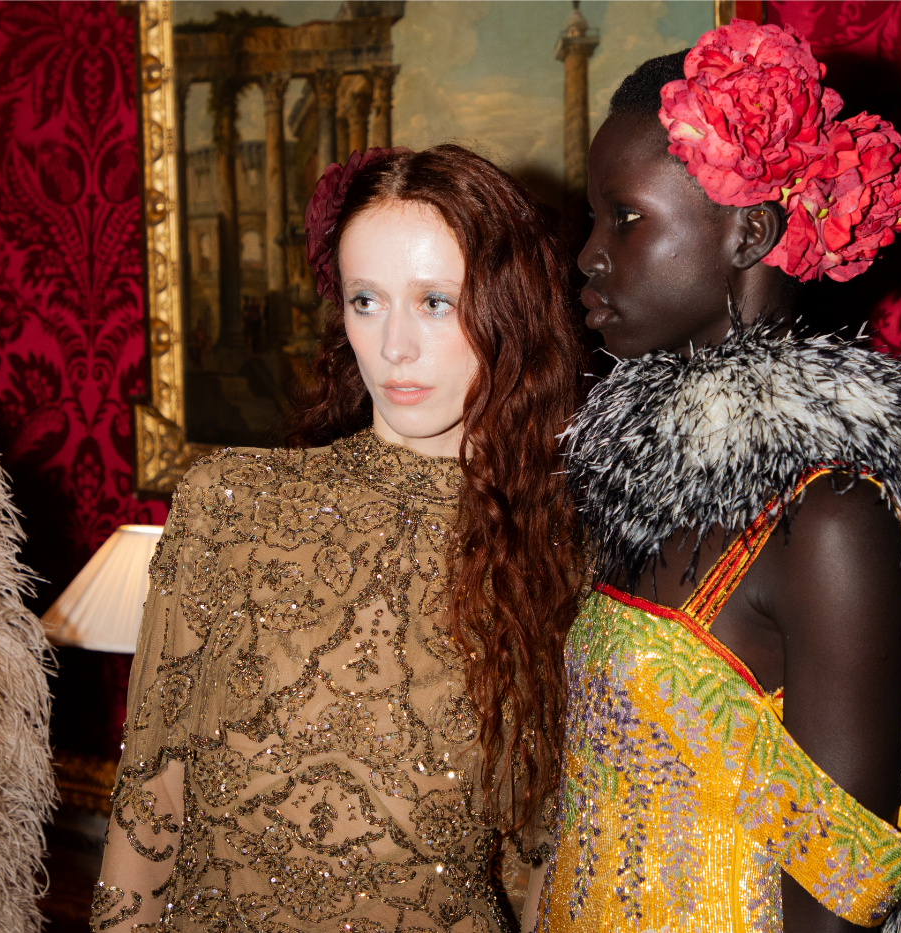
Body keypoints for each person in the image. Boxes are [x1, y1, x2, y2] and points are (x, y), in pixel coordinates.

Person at [536, 22, 901, 933]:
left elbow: (835, 900)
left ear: (749, 232)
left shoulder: (826, 515)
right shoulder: (645, 489)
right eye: (593, 219)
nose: (589, 255)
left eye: (625, 217)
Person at [92, 145, 583, 933]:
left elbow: (545, 872)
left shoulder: (560, 558)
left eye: (435, 302)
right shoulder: (231, 504)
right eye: (366, 301)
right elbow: (150, 805)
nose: (394, 347)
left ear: (511, 310)